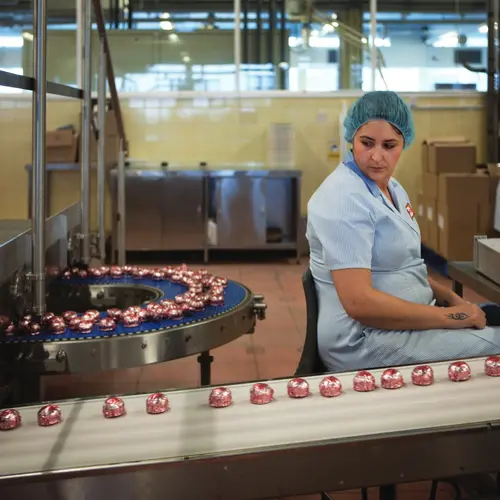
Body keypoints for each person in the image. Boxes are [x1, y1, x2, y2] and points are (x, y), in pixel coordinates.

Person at [306, 90, 500, 373]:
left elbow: (406, 265)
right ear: (351, 138)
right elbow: (359, 303)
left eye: (389, 145)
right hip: (366, 339)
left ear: (403, 143)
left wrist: (452, 299)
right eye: (367, 143)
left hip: (412, 320)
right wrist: (451, 316)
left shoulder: (392, 188)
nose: (376, 156)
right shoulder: (344, 198)